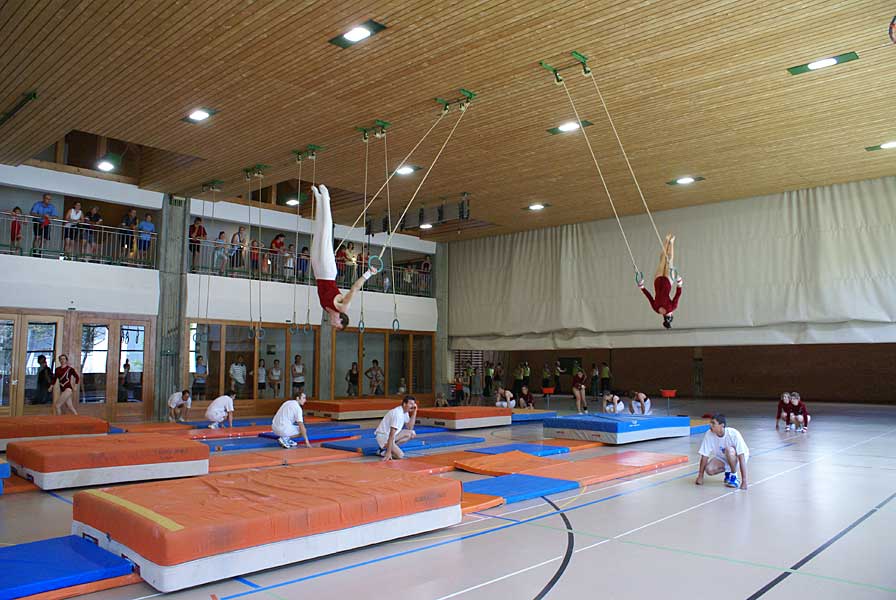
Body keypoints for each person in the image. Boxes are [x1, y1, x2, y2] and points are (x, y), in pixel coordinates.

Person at [309, 185, 378, 329]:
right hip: (328, 273)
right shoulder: (343, 307)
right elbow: (354, 288)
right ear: (341, 320)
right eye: (337, 326)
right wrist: (368, 274)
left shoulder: (326, 309)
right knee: (325, 234)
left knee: (318, 235)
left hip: (318, 274)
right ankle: (326, 198)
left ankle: (319, 199)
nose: (334, 325)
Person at [639, 233, 683, 329]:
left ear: (670, 315)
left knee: (667, 260)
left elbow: (678, 294)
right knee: (665, 260)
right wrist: (642, 287)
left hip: (663, 282)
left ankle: (669, 242)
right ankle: (669, 242)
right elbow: (649, 297)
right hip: (661, 282)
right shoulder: (657, 309)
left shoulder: (671, 308)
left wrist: (680, 284)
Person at [695, 414, 749, 490]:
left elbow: (741, 457)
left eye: (713, 423)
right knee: (709, 469)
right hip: (723, 458)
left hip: (736, 459)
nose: (710, 425)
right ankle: (728, 472)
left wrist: (744, 481)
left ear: (722, 425)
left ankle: (734, 476)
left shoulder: (733, 434)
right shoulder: (709, 434)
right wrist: (700, 476)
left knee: (729, 450)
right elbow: (704, 456)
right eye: (710, 423)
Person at [376, 396, 417, 460]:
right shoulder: (397, 414)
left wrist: (414, 413)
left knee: (412, 433)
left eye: (414, 404)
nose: (413, 406)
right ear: (404, 404)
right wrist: (388, 453)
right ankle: (384, 452)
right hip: (384, 436)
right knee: (400, 455)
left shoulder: (405, 412)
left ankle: (385, 449)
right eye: (411, 404)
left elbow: (410, 427)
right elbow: (391, 434)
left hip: (391, 435)